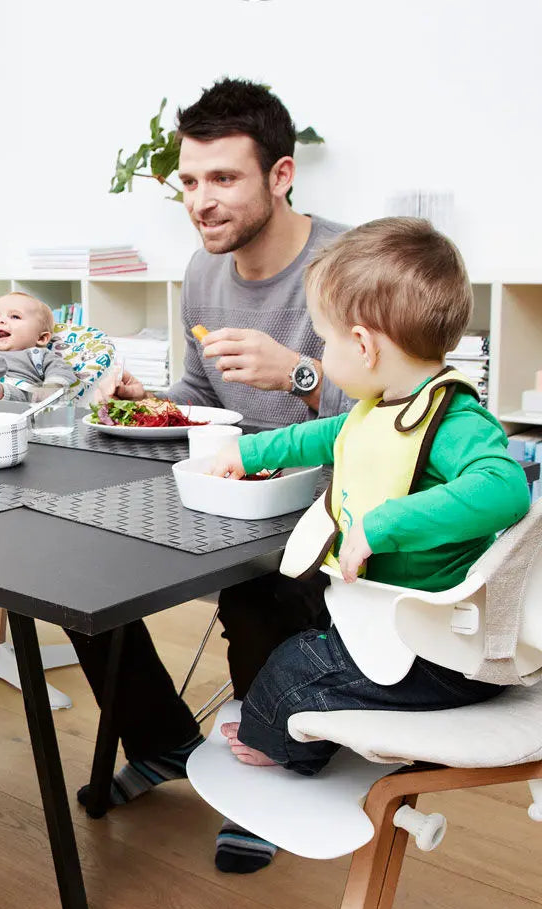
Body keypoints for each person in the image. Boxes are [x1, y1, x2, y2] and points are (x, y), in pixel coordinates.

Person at [67, 77, 352, 874]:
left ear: (282, 175)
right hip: (222, 484)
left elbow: (401, 409)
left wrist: (297, 375)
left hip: (323, 502)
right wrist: (149, 401)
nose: (202, 200)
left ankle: (268, 766)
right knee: (80, 564)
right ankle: (162, 741)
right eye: (190, 182)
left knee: (260, 592)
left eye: (224, 178)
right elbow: (202, 397)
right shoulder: (203, 269)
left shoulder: (349, 265)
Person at [212, 217, 530, 772]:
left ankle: (279, 748)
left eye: (324, 340)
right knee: (304, 632)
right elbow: (325, 435)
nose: (321, 353)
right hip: (388, 621)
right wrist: (249, 453)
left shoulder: (455, 421)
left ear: (361, 344)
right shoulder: (383, 406)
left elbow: (504, 490)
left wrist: (383, 524)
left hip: (435, 650)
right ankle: (308, 725)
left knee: (292, 667)